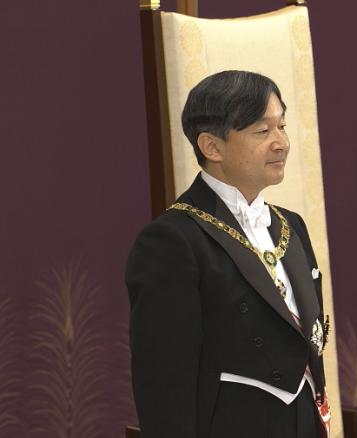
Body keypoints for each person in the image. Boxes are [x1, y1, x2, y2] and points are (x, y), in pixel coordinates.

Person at [126, 70, 330, 437]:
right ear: (212, 146)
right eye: (262, 131)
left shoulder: (292, 226)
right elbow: (164, 384)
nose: (282, 142)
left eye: (282, 126)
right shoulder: (173, 240)